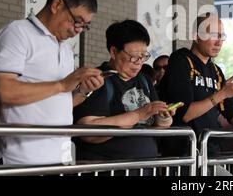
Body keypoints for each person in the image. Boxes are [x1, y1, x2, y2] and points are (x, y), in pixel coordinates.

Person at [0, 0, 103, 165]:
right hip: (20, 160)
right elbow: (5, 91)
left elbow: (59, 103)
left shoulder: (66, 50)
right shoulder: (18, 33)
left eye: (84, 26)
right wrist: (62, 85)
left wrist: (83, 91)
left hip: (59, 157)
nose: (78, 30)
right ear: (57, 5)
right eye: (77, 21)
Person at [158, 13, 233, 161]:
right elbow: (185, 113)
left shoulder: (215, 70)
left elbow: (229, 110)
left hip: (209, 151)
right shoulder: (181, 60)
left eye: (222, 36)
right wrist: (222, 94)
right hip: (182, 153)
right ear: (196, 36)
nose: (219, 42)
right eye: (214, 35)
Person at [73, 20, 173, 164]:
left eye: (144, 56)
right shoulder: (97, 80)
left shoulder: (145, 80)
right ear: (114, 52)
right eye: (134, 56)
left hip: (146, 166)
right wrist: (138, 114)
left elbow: (155, 127)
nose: (139, 62)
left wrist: (163, 118)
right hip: (110, 169)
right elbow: (88, 130)